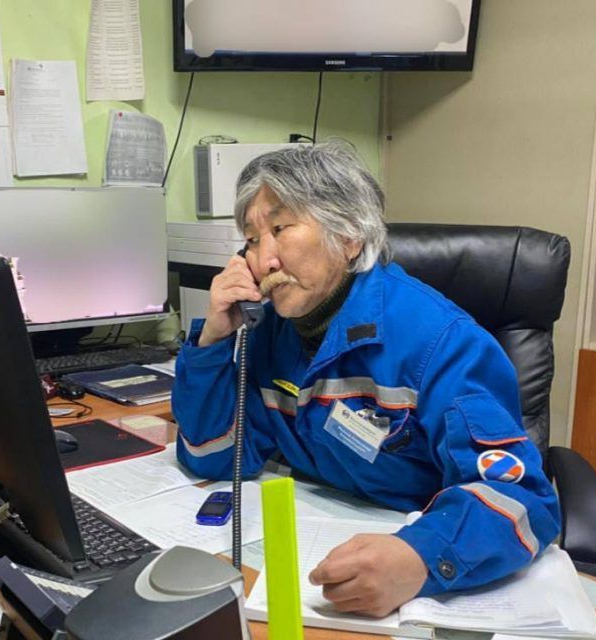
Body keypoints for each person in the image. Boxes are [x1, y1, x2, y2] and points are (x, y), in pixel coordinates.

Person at [172, 141, 561, 617]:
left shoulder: (443, 342)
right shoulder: (269, 331)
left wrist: (421, 555)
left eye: (279, 229)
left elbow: (523, 499)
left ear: (349, 237)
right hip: (313, 545)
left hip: (410, 563)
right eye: (251, 240)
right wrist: (213, 339)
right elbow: (214, 457)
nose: (263, 260)